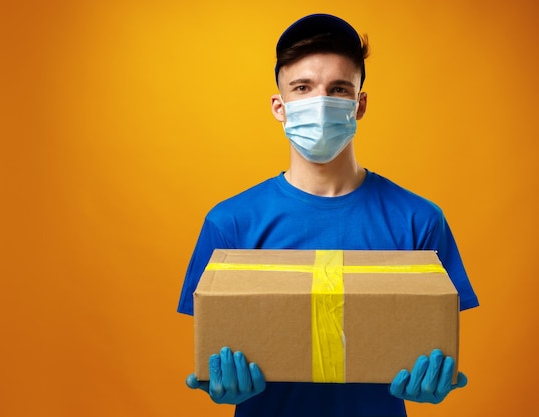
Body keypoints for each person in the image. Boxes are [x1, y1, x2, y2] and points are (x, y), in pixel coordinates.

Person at [177, 13, 479, 417]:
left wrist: (434, 384)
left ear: (360, 104)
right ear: (279, 106)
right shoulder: (230, 223)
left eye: (338, 89)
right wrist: (221, 387)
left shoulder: (419, 220)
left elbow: (435, 341)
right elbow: (213, 348)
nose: (320, 102)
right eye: (302, 88)